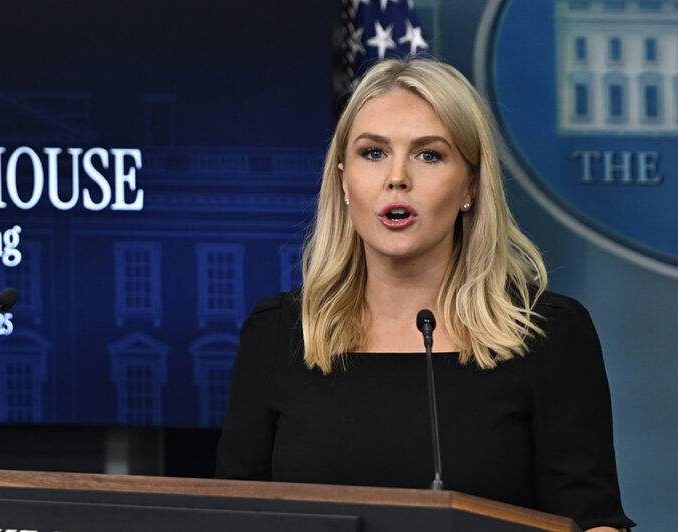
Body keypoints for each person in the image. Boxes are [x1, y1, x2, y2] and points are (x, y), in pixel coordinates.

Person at [215, 58, 634, 531]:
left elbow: (595, 521)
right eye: (373, 153)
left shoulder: (548, 335)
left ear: (470, 188)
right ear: (343, 180)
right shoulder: (278, 334)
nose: (397, 178)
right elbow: (232, 516)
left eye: (428, 155)